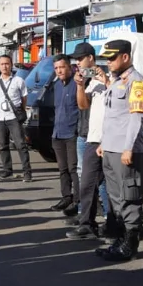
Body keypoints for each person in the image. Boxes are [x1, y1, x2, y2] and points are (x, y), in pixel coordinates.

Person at [95, 39, 143, 262]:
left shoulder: (135, 82)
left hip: (126, 151)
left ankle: (130, 243)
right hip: (110, 149)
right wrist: (103, 143)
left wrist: (128, 148)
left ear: (125, 57)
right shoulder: (117, 82)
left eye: (112, 58)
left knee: (130, 196)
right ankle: (120, 239)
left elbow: (136, 119)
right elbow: (112, 118)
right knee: (116, 197)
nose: (108, 62)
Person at [67, 64, 108, 239]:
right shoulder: (94, 83)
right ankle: (87, 224)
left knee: (111, 187)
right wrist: (80, 85)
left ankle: (114, 225)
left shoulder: (122, 81)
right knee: (87, 183)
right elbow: (83, 105)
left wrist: (107, 81)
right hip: (93, 139)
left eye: (112, 58)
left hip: (112, 141)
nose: (110, 62)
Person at [0, 54, 32, 181]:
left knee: (21, 145)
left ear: (11, 65)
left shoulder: (18, 81)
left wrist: (21, 111)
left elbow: (24, 98)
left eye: (7, 63)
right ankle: (7, 170)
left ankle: (27, 172)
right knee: (2, 145)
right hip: (0, 118)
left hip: (13, 118)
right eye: (2, 64)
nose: (4, 66)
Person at [51, 54, 80, 217]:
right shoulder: (57, 85)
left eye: (62, 67)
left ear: (70, 67)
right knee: (62, 169)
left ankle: (77, 201)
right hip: (58, 133)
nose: (59, 71)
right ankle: (66, 197)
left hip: (72, 133)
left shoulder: (77, 84)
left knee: (73, 169)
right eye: (56, 68)